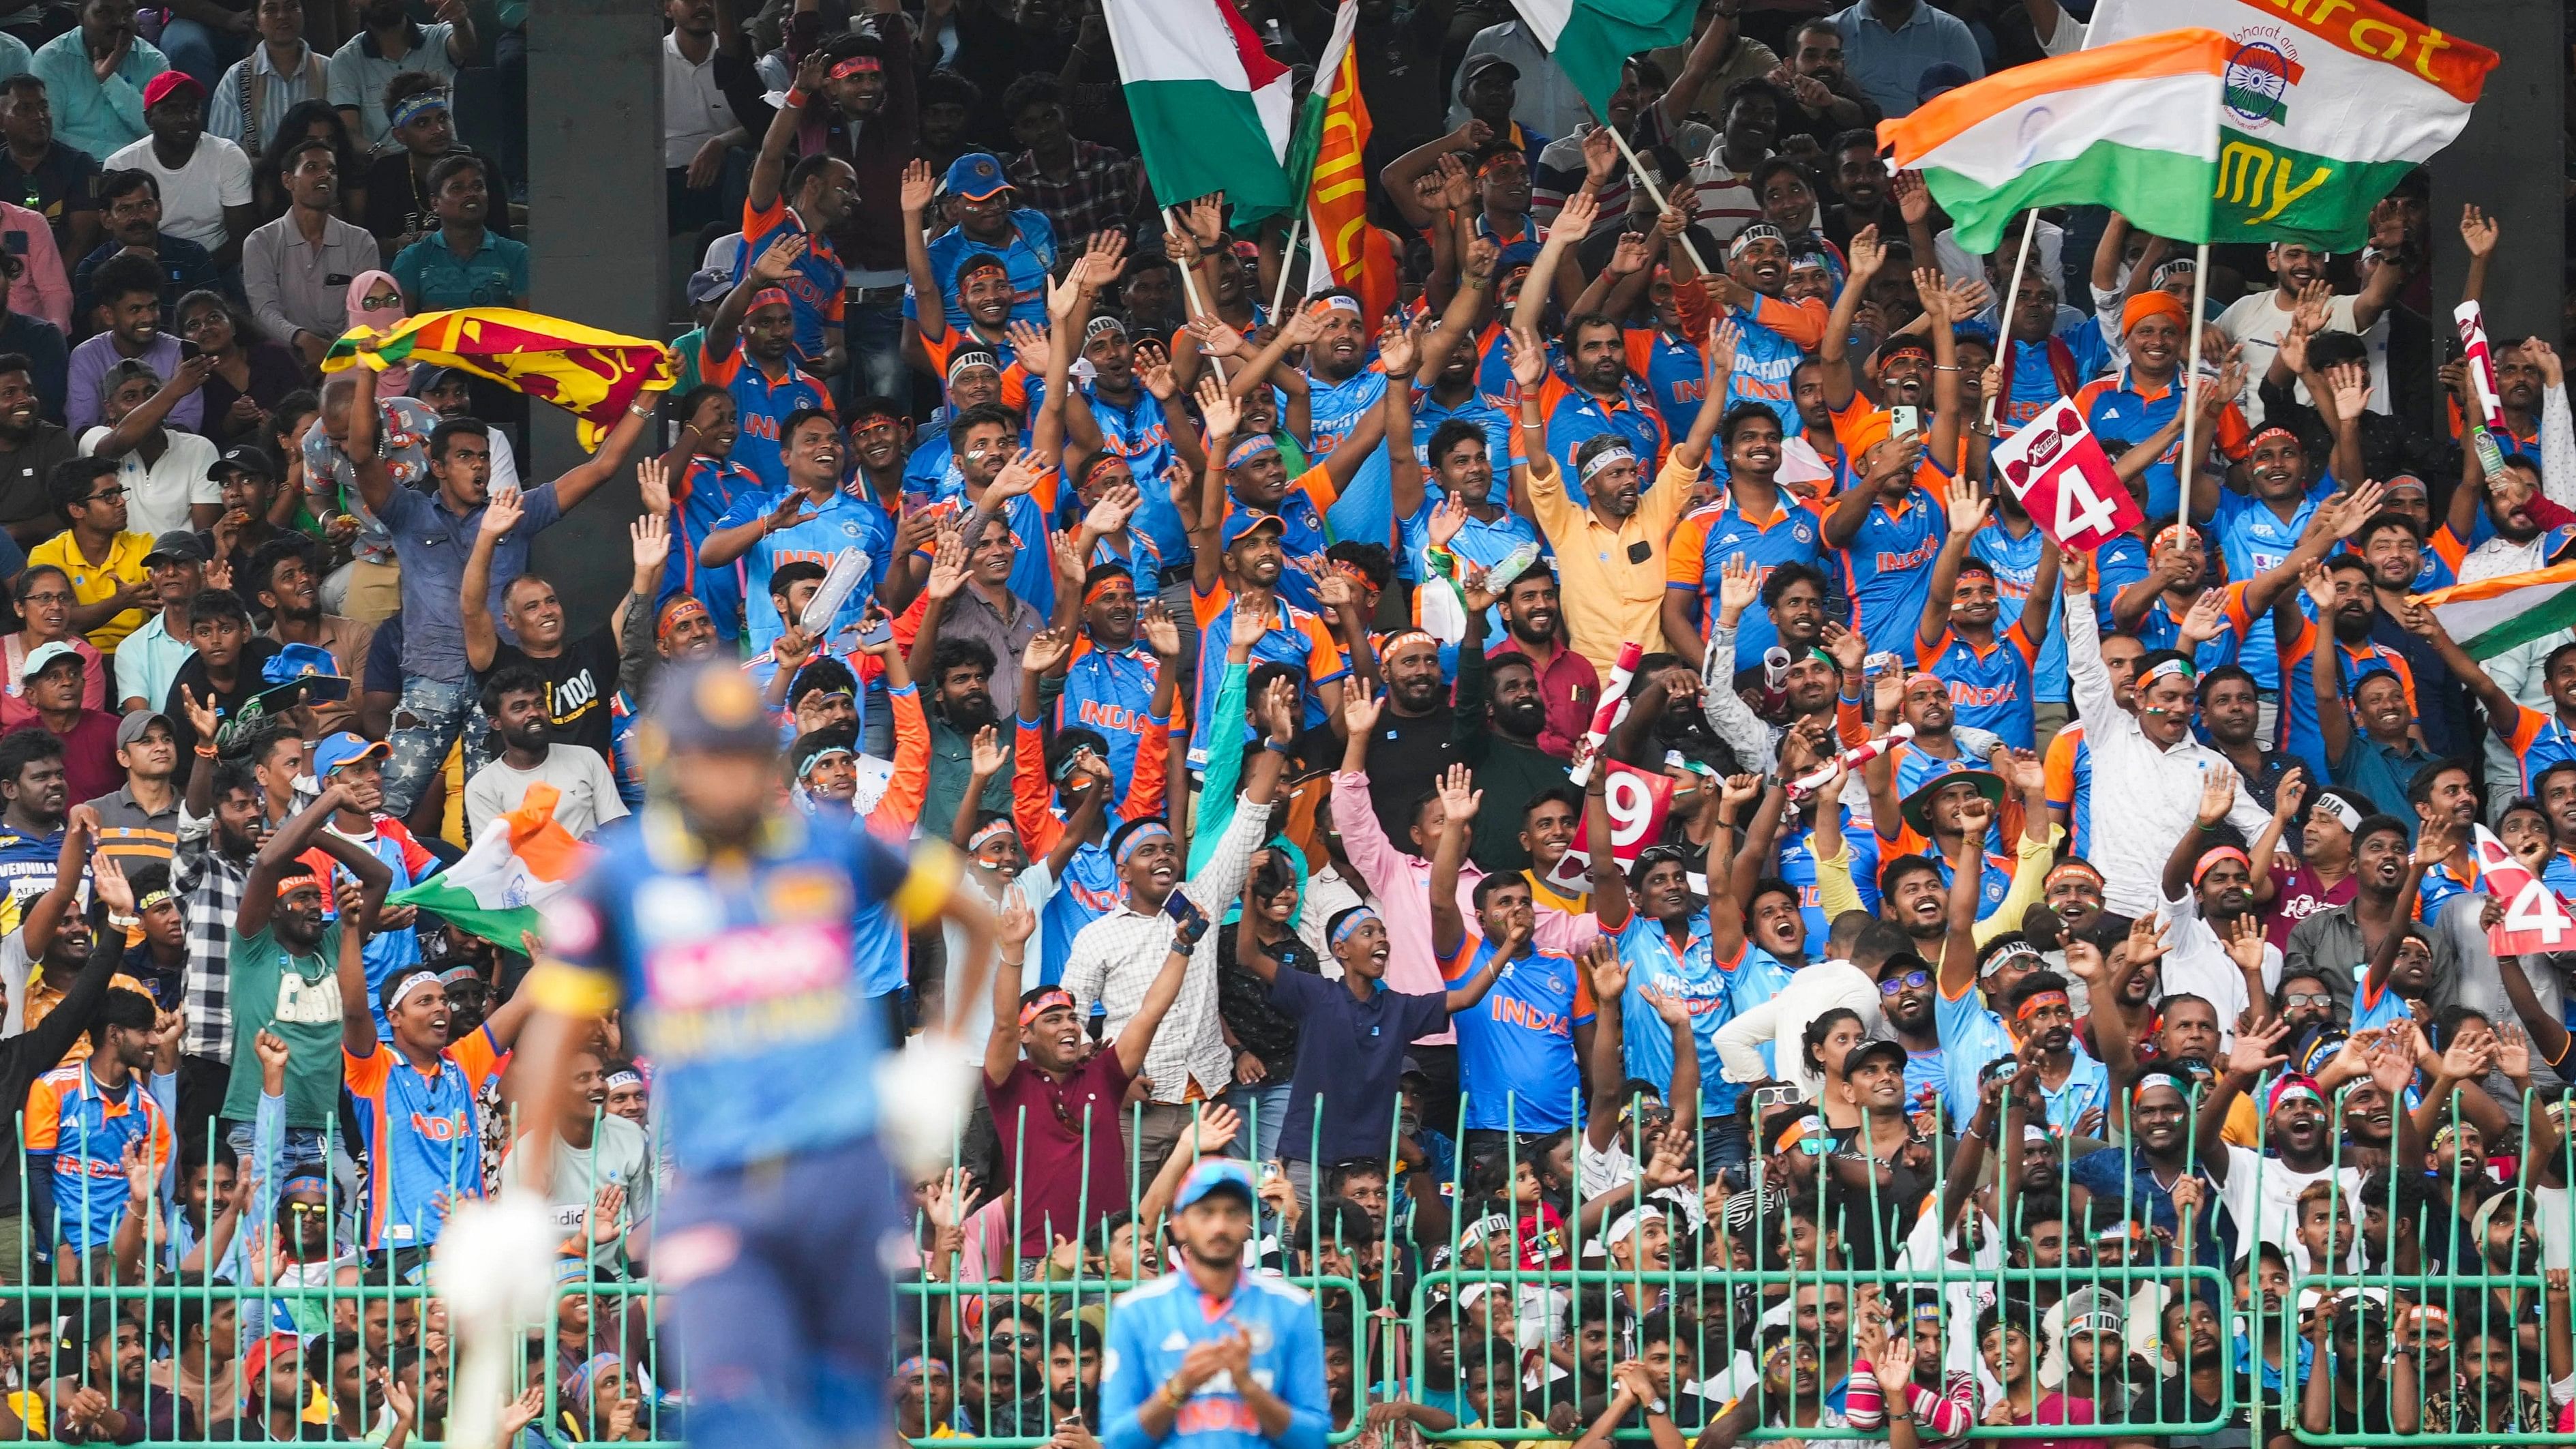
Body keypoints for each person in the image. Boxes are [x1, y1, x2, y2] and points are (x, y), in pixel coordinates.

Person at [510, 657, 1000, 1449]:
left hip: (842, 1179)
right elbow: (550, 1039)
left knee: (848, 1417)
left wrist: (939, 1056)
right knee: (736, 1414)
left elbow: (972, 917)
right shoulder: (623, 880)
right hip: (720, 1186)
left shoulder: (834, 850)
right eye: (709, 757)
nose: (730, 780)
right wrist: (520, 1211)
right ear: (668, 761)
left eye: (743, 754)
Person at [337, 361, 650, 817]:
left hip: (501, 684)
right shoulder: (409, 513)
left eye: (483, 455)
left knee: (497, 817)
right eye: (465, 456)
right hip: (431, 679)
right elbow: (362, 455)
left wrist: (649, 398)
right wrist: (368, 370)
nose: (479, 464)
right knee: (390, 805)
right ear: (435, 464)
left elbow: (603, 467)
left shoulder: (516, 511)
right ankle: (387, 888)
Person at [1098, 1156, 1330, 1449]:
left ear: (1248, 1221)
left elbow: (1313, 1437)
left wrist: (1248, 1387)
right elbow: (1118, 1439)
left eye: (1233, 1213)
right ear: (1179, 1225)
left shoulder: (1292, 1307)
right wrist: (1180, 1386)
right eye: (1206, 1213)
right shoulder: (1136, 1311)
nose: (1220, 1226)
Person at [240, 135, 374, 365]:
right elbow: (264, 311)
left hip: (348, 355)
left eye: (331, 169)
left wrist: (334, 352)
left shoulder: (361, 242)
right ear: (288, 181)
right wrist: (302, 339)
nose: (325, 175)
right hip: (285, 357)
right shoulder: (260, 242)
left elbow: (365, 310)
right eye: (312, 167)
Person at [461, 665, 631, 843]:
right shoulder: (482, 787)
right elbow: (495, 861)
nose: (534, 712)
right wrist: (566, 855)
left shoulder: (587, 759)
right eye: (520, 708)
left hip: (596, 868)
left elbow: (619, 834)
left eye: (540, 704)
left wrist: (602, 841)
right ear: (496, 723)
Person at [102, 72, 253, 266]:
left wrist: (196, 275)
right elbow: (116, 238)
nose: (185, 118)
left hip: (215, 262)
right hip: (144, 265)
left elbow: (240, 238)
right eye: (171, 110)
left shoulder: (228, 156)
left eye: (192, 109)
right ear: (149, 119)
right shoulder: (122, 164)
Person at [29, 0, 166, 163]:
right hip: (71, 169)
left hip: (138, 172)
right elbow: (49, 135)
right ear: (80, 16)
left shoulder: (153, 61)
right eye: (105, 13)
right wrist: (118, 157)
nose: (119, 22)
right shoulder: (51, 59)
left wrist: (110, 79)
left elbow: (160, 130)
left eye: (128, 12)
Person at [327, 0, 475, 147]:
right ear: (352, 2)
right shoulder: (345, 60)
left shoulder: (438, 37)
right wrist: (377, 155)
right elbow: (349, 133)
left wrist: (460, 21)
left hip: (445, 158)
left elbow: (466, 48)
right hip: (384, 162)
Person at [206, 0, 329, 154]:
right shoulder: (236, 78)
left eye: (291, 7)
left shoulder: (328, 70)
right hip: (258, 176)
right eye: (271, 9)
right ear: (257, 22)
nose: (282, 16)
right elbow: (222, 153)